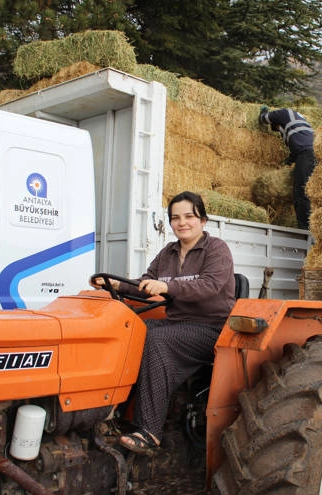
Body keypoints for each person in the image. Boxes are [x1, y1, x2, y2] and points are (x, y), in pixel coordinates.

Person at [90, 190, 236, 454]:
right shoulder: (168, 253)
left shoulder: (216, 249)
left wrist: (167, 286)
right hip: (177, 324)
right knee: (133, 332)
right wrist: (116, 284)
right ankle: (111, 414)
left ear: (203, 220)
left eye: (189, 216)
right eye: (175, 218)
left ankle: (149, 432)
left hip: (212, 328)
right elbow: (146, 284)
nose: (182, 223)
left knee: (157, 338)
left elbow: (210, 286)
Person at [258, 107, 316, 230]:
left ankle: (305, 228)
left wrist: (263, 113)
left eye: (277, 128)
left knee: (301, 191)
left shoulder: (284, 113)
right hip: (313, 156)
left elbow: (264, 118)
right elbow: (297, 147)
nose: (279, 132)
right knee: (310, 191)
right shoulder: (301, 123)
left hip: (307, 155)